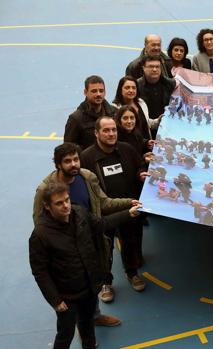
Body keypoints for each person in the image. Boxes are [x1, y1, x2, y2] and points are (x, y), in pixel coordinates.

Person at [32, 143, 138, 324]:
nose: (73, 164)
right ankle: (81, 324)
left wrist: (129, 202)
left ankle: (94, 316)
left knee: (91, 280)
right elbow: (39, 222)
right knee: (73, 288)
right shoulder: (45, 189)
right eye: (67, 161)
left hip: (89, 239)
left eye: (76, 159)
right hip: (65, 247)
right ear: (58, 164)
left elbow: (103, 203)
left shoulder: (87, 177)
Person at [29, 181, 141, 349]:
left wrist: (128, 214)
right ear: (47, 206)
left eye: (66, 200)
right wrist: (55, 300)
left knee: (87, 326)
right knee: (65, 334)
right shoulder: (40, 235)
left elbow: (101, 224)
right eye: (59, 203)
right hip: (66, 296)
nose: (65, 205)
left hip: (88, 287)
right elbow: (40, 271)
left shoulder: (79, 213)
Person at [80, 116, 149, 293]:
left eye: (114, 130)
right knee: (104, 248)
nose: (111, 134)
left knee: (130, 242)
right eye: (106, 130)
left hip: (128, 208)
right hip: (104, 213)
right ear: (96, 133)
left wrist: (140, 173)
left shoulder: (127, 150)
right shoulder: (87, 158)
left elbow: (140, 166)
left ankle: (132, 273)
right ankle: (105, 282)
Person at [64, 75, 117, 149]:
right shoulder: (76, 119)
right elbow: (68, 148)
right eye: (94, 91)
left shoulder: (114, 112)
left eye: (101, 91)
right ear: (85, 92)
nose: (98, 94)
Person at [137, 55, 176, 135]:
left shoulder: (171, 84)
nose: (154, 69)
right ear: (143, 68)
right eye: (151, 66)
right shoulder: (136, 86)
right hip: (145, 131)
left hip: (167, 130)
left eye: (157, 67)